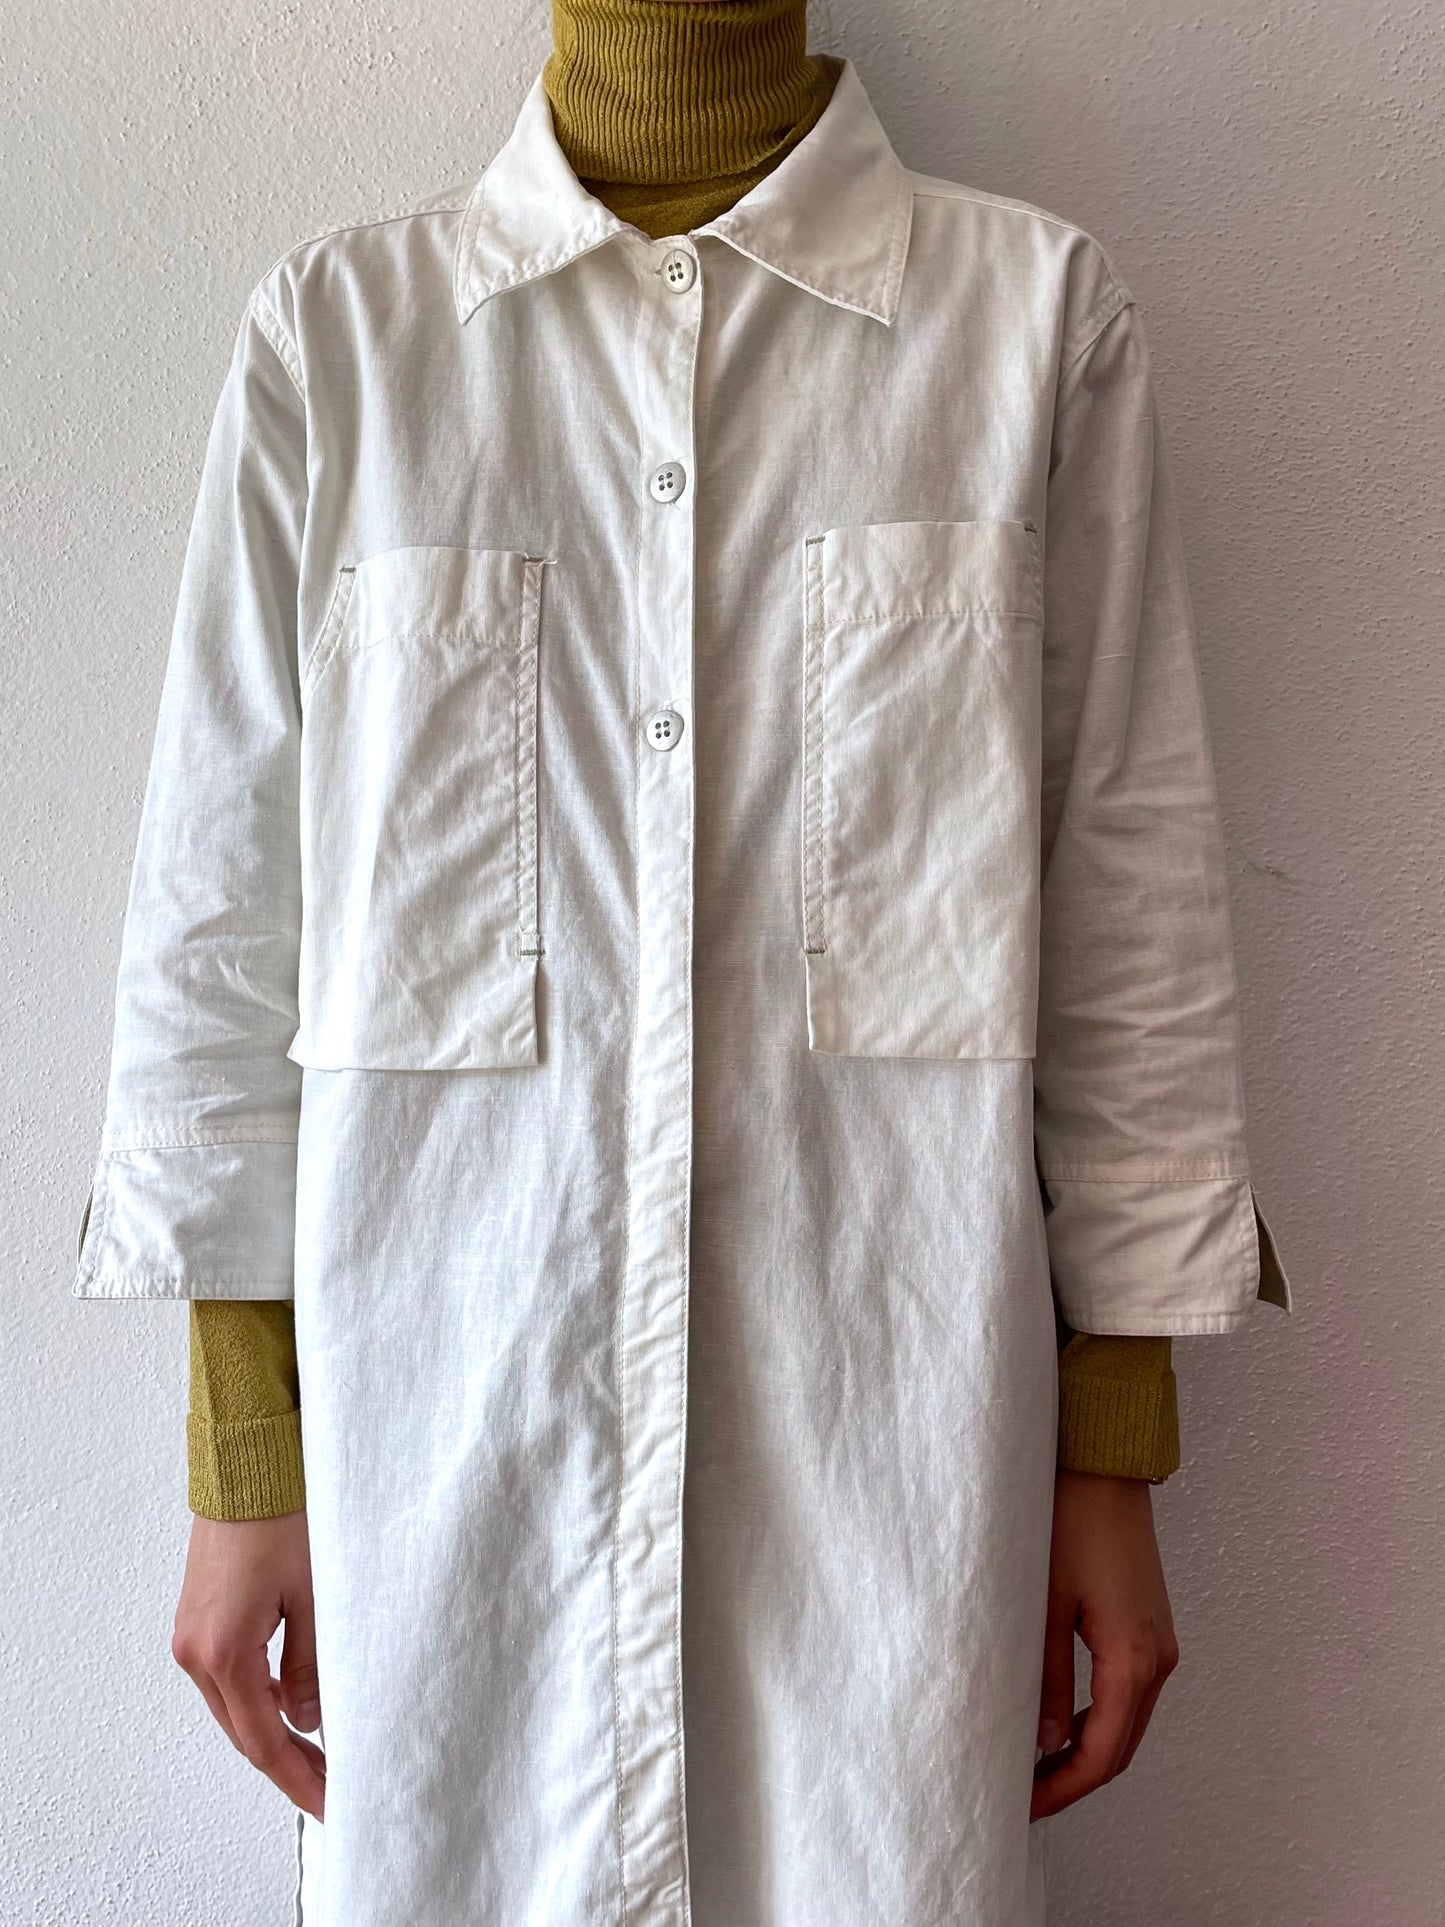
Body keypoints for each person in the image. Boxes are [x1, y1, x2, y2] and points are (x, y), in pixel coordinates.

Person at [73, 0, 1291, 1920]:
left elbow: (1121, 915)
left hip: (889, 1479)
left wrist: (1108, 1455)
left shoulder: (1028, 327)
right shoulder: (347, 344)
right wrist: (243, 1459)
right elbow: (221, 929)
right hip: (447, 1474)